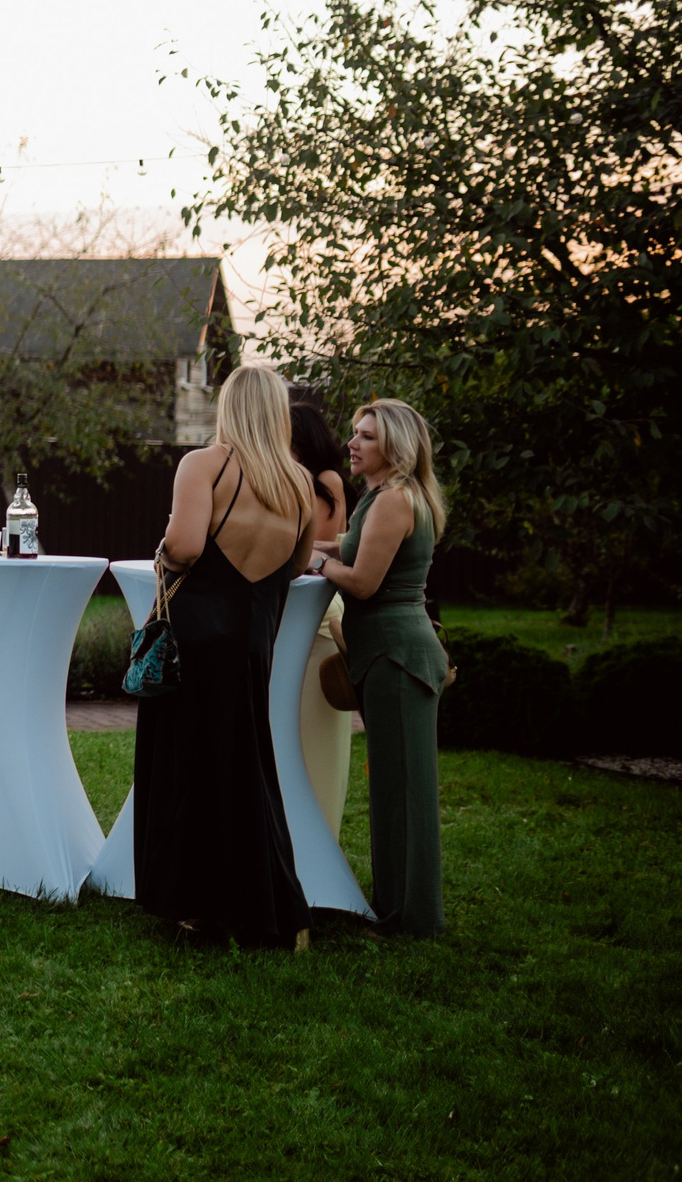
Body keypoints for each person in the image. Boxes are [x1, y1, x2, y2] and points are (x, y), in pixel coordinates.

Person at [133, 365, 314, 949]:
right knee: (247, 766)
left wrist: (163, 545)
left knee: (191, 768)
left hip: (198, 641)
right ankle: (269, 906)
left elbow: (185, 547)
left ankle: (198, 908)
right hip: (253, 642)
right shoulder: (299, 484)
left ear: (230, 408)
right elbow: (299, 562)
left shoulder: (204, 465)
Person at [311, 398, 448, 937]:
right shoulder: (383, 497)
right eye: (354, 434)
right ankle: (395, 906)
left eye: (365, 436)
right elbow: (350, 545)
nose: (352, 443)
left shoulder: (393, 500)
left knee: (407, 791)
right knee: (393, 788)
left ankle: (411, 919)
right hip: (389, 655)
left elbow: (364, 582)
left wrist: (319, 562)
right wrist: (310, 546)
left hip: (398, 656)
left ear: (393, 444)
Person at [287, 400, 353, 832]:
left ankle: (318, 831)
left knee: (317, 730)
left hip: (319, 608)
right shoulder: (303, 480)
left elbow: (309, 545)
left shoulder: (324, 481)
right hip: (297, 608)